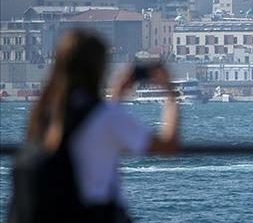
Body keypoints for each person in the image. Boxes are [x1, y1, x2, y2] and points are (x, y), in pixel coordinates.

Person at [8, 29, 180, 222]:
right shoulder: (109, 118)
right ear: (100, 68)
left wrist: (116, 97)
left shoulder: (43, 113)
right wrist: (170, 95)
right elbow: (167, 146)